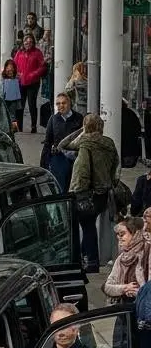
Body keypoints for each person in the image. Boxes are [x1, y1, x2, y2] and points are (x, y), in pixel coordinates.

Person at [66, 113, 120, 273]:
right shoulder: (109, 144)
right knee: (88, 224)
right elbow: (116, 167)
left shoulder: (85, 144)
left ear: (86, 127)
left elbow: (66, 146)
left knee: (85, 226)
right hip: (102, 193)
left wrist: (81, 131)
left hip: (85, 193)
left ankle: (90, 262)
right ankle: (88, 258)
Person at [41, 92, 83, 194]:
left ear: (69, 103)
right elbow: (48, 141)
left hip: (74, 157)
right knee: (60, 188)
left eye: (63, 103)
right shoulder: (53, 119)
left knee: (73, 188)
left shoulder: (79, 118)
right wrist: (44, 163)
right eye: (58, 104)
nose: (60, 106)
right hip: (58, 157)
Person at [103, 216, 148, 306]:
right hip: (124, 310)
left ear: (135, 234)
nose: (119, 238)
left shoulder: (147, 253)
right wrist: (125, 288)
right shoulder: (121, 259)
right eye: (118, 235)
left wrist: (137, 292)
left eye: (122, 234)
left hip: (144, 309)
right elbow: (107, 287)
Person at [12, 32, 46, 133]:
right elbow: (14, 64)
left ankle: (33, 126)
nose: (28, 43)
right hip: (21, 82)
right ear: (23, 42)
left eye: (30, 42)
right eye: (26, 41)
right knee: (20, 105)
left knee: (32, 104)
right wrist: (17, 73)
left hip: (33, 83)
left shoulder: (37, 53)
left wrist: (33, 74)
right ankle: (19, 126)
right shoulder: (19, 53)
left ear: (33, 43)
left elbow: (42, 67)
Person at [0, 59, 22, 125]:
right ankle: (5, 127)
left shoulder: (16, 78)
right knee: (4, 115)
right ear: (5, 69)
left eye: (11, 70)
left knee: (13, 116)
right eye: (8, 70)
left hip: (13, 100)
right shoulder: (3, 78)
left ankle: (13, 130)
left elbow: (18, 90)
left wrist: (18, 103)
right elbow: (0, 89)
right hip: (5, 99)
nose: (10, 72)